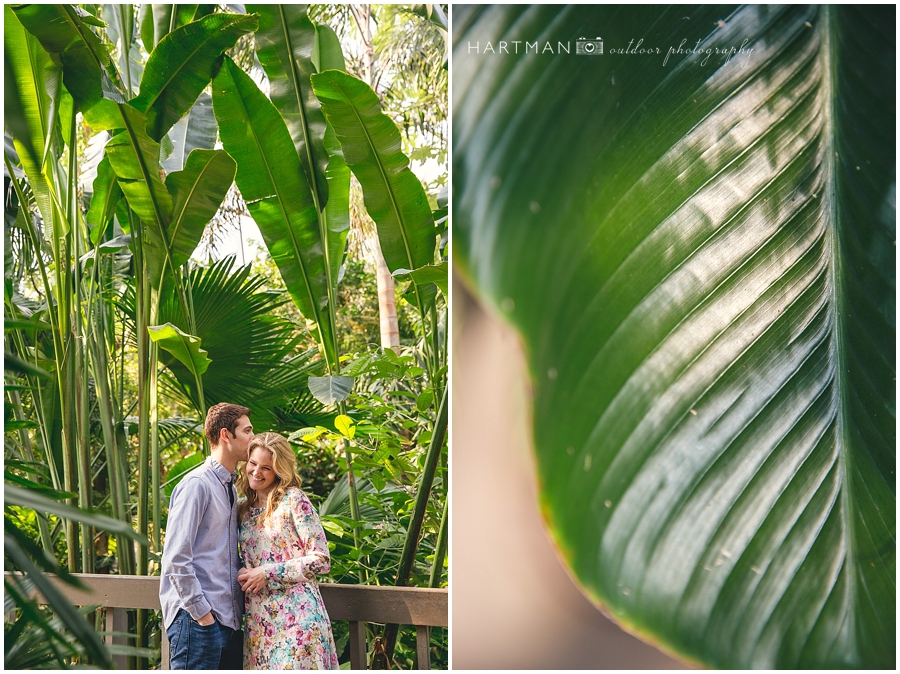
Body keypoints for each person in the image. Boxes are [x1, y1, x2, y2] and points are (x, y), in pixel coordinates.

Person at [159, 403, 254, 669]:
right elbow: (176, 559)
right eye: (247, 431)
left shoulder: (231, 489)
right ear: (226, 435)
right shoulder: (197, 485)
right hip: (199, 621)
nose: (253, 438)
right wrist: (202, 616)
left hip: (228, 622)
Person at [237, 432, 339, 670]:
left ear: (279, 471)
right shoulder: (242, 509)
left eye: (266, 468)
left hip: (298, 622)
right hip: (259, 625)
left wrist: (267, 573)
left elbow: (321, 560)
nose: (256, 472)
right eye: (252, 463)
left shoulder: (294, 500)